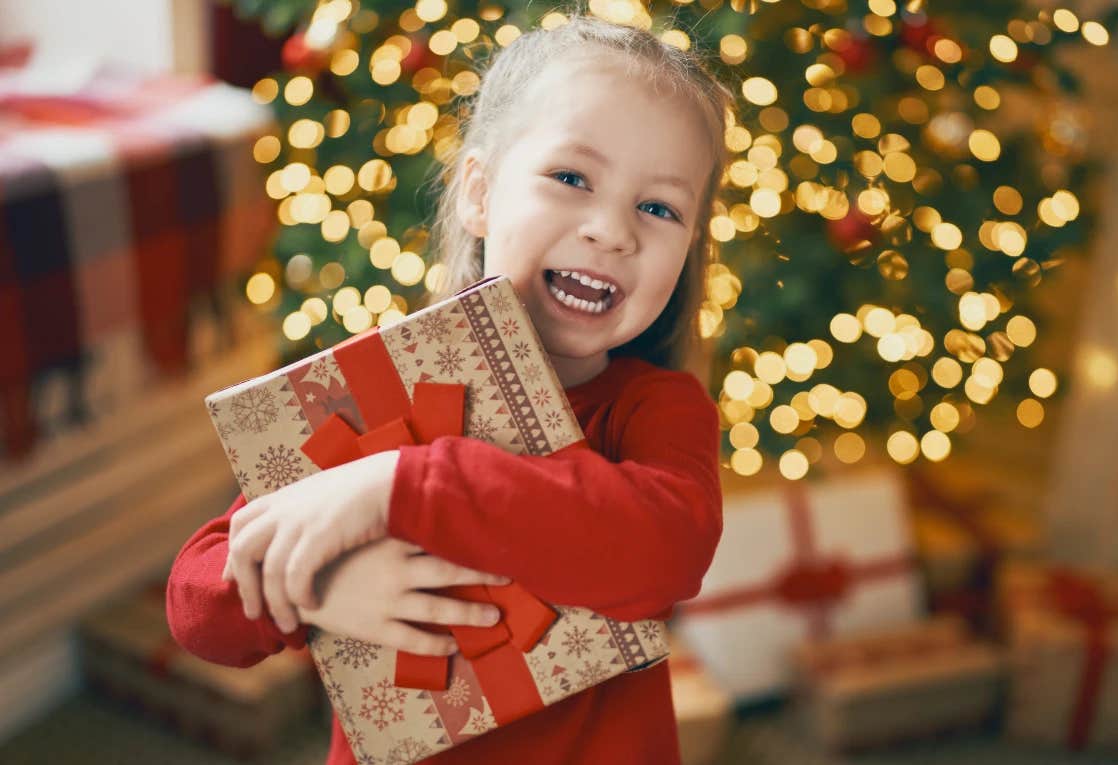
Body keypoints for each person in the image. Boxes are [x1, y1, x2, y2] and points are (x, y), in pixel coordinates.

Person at [166, 11, 733, 764]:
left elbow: (665, 552)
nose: (610, 229)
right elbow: (195, 601)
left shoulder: (656, 411)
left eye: (658, 207)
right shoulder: (386, 393)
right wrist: (316, 585)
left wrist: (400, 485)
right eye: (571, 178)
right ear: (479, 193)